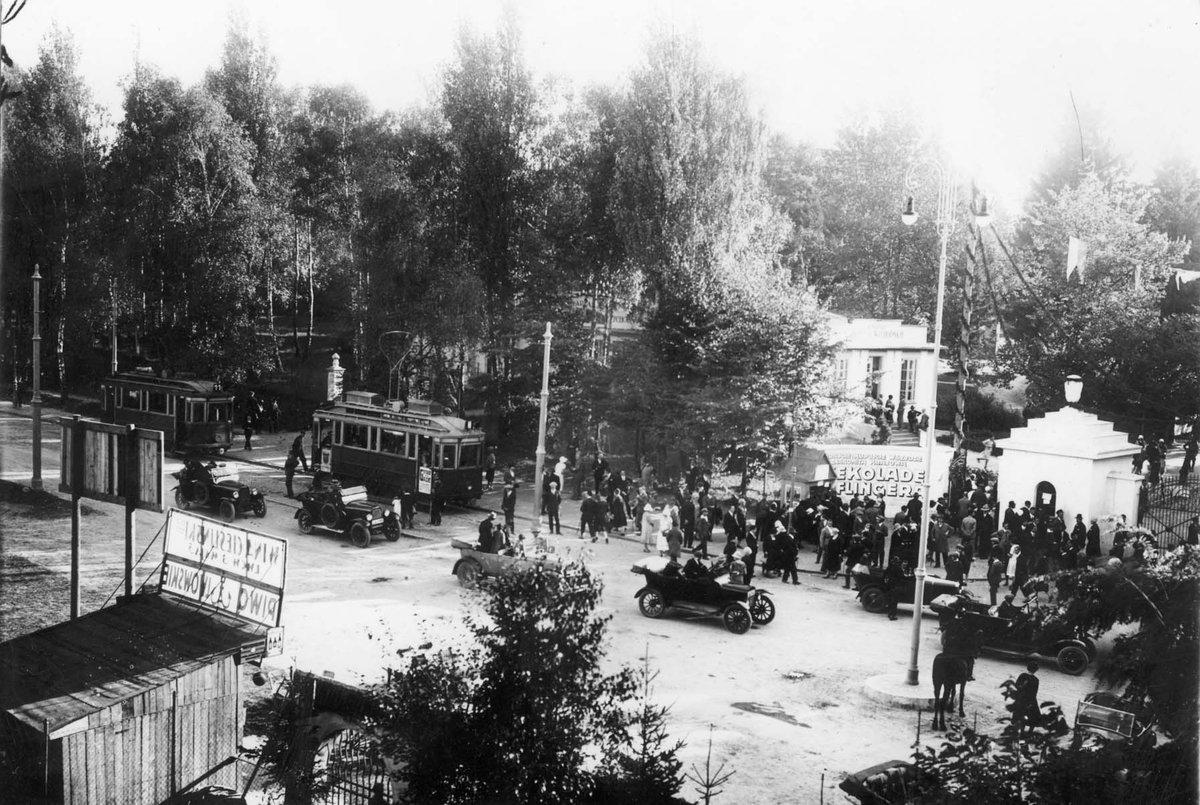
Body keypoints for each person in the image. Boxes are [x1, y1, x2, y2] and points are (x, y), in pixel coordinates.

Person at [1011, 661, 1041, 732]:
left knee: (1021, 714)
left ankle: (1021, 731)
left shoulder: (1023, 675)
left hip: (1022, 699)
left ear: (1027, 668)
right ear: (1036, 670)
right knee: (1033, 716)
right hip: (1031, 700)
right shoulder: (1036, 680)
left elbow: (1016, 686)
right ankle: (1030, 731)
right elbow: (1034, 692)